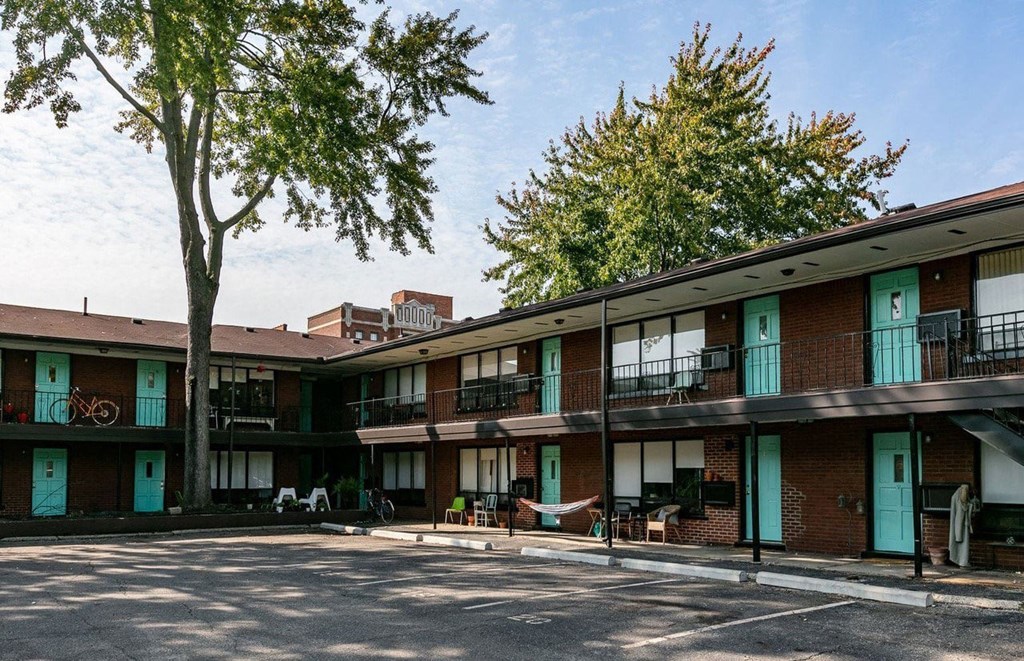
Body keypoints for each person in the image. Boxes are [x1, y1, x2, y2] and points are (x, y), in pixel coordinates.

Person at [948, 484, 982, 567]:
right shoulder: (957, 499)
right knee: (962, 544)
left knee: (964, 545)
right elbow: (960, 514)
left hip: (963, 526)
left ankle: (963, 561)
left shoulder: (963, 500)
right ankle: (962, 561)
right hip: (960, 525)